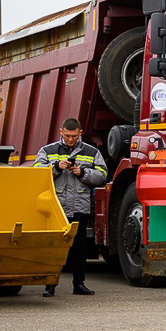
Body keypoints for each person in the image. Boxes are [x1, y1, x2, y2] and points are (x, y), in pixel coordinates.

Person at [33, 118, 107, 296]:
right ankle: (49, 286)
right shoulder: (48, 151)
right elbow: (36, 171)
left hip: (79, 207)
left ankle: (79, 284)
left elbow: (103, 174)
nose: (70, 139)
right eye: (67, 135)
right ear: (61, 132)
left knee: (80, 249)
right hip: (57, 207)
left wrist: (82, 172)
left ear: (80, 133)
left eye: (74, 136)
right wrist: (56, 167)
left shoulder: (92, 152)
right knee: (54, 249)